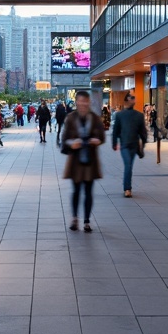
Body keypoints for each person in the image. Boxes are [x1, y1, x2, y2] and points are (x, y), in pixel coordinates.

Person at [61, 89, 105, 231]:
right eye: (80, 101)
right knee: (76, 190)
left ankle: (86, 221)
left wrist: (96, 140)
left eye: (85, 101)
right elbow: (64, 139)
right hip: (75, 160)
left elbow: (102, 137)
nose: (83, 104)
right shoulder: (71, 118)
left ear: (89, 102)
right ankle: (75, 218)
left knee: (88, 191)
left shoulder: (95, 118)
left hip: (91, 159)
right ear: (76, 102)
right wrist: (71, 143)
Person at [111, 92, 146, 198]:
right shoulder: (120, 115)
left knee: (129, 165)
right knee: (128, 165)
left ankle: (127, 187)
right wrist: (114, 143)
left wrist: (142, 146)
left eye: (134, 98)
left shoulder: (139, 116)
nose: (133, 99)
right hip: (124, 145)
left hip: (134, 146)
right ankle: (127, 188)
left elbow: (142, 132)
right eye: (131, 97)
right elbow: (115, 130)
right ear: (126, 100)